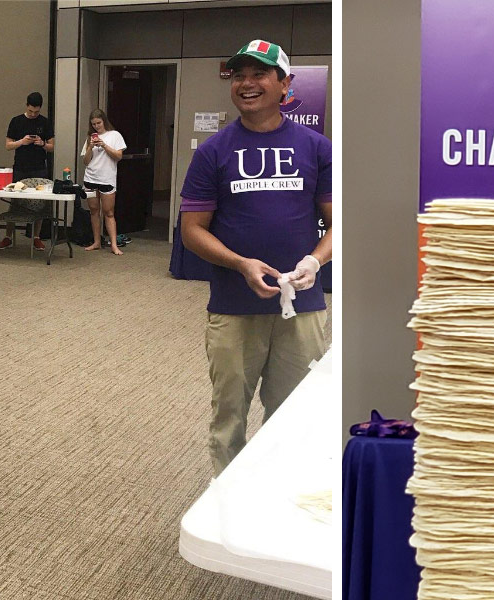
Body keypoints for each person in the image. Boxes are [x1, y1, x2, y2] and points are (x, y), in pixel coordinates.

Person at [180, 39, 333, 474]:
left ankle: (277, 506)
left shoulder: (316, 147)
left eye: (259, 74)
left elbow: (339, 223)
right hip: (233, 307)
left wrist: (316, 261)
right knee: (228, 418)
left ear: (285, 84)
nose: (247, 84)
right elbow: (192, 230)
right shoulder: (214, 151)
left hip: (302, 309)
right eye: (239, 75)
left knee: (293, 417)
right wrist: (241, 264)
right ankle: (225, 512)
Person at [3, 91, 54, 251]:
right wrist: (22, 142)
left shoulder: (45, 122)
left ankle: (36, 236)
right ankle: (8, 236)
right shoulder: (16, 121)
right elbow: (8, 145)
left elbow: (52, 147)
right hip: (20, 167)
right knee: (14, 201)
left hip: (39, 168)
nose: (33, 114)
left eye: (36, 112)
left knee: (39, 203)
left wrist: (42, 144)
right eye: (31, 111)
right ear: (26, 106)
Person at [80, 109, 127, 255]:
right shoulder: (90, 138)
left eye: (99, 123)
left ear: (104, 121)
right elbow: (86, 161)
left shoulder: (115, 135)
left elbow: (118, 156)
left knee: (109, 212)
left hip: (107, 178)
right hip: (90, 178)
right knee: (94, 211)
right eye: (93, 124)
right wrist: (91, 147)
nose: (96, 126)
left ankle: (113, 244)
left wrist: (104, 145)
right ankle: (96, 242)